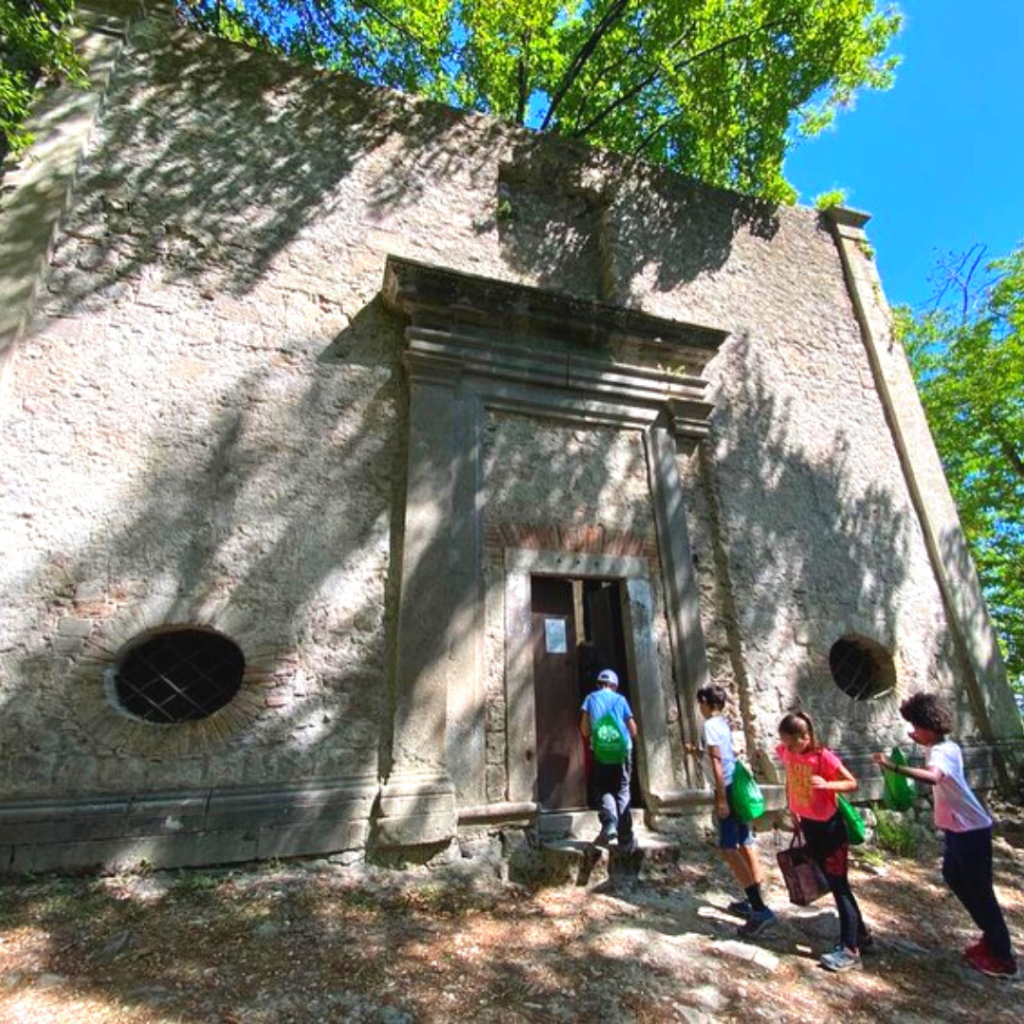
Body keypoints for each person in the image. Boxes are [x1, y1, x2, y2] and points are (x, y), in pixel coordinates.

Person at [873, 693, 1018, 978]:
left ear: (928, 725)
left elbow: (933, 777)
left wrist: (893, 766)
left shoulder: (942, 752)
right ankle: (990, 936)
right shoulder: (939, 747)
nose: (912, 732)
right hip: (957, 828)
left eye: (915, 726)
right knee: (954, 876)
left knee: (981, 891)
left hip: (972, 830)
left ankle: (1003, 956)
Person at [778, 711, 871, 972]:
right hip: (809, 824)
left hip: (829, 828)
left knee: (840, 886)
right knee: (831, 882)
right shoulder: (788, 753)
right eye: (784, 742)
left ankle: (850, 950)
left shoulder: (823, 757)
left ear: (805, 737)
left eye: (792, 742)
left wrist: (826, 785)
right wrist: (793, 808)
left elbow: (851, 782)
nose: (787, 748)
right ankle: (860, 934)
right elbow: (790, 778)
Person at [694, 684, 775, 937]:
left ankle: (760, 910)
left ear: (706, 703)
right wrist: (696, 754)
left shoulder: (708, 726)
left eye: (700, 703)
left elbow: (718, 763)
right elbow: (720, 756)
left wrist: (721, 799)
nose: (699, 707)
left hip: (727, 788)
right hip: (735, 785)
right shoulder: (723, 723)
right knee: (744, 841)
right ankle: (753, 900)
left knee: (729, 848)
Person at [580, 668, 637, 852]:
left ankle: (609, 822)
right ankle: (626, 839)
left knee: (602, 787)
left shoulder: (590, 698)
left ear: (598, 684)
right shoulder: (620, 700)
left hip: (600, 752)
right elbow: (633, 730)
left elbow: (585, 730)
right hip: (622, 751)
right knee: (622, 790)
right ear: (615, 685)